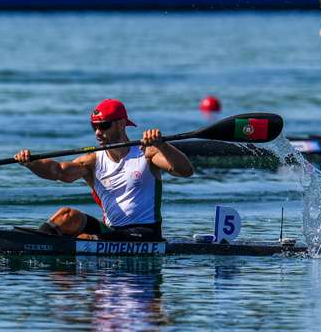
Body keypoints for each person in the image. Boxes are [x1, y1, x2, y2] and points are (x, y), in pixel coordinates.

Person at [14, 99, 194, 241]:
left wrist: (163, 145)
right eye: (94, 126)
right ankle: (35, 243)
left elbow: (185, 171)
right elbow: (58, 171)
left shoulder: (147, 152)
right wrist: (32, 163)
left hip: (146, 233)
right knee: (66, 215)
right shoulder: (92, 161)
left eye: (104, 125)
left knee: (85, 239)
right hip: (112, 231)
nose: (98, 132)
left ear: (121, 124)